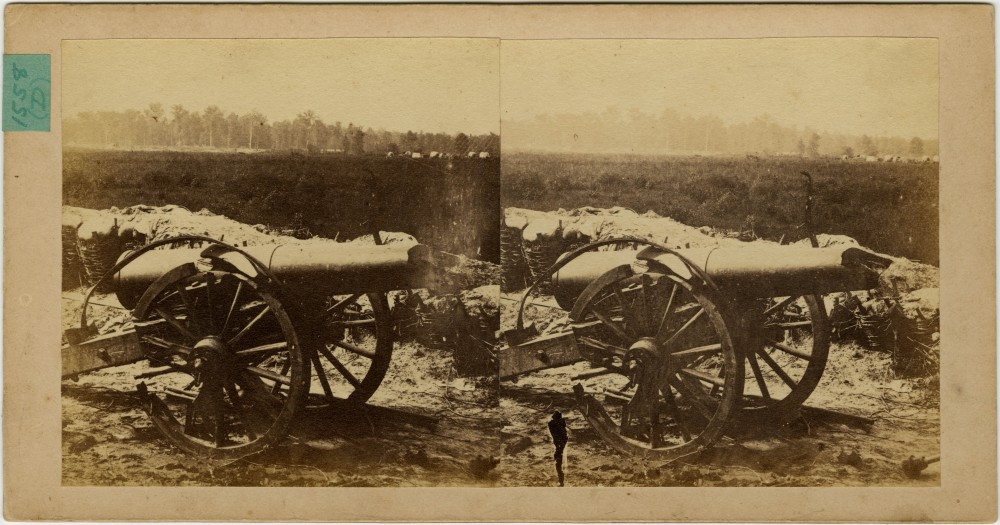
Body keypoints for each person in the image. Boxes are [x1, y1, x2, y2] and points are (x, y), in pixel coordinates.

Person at [547, 411, 568, 486]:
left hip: (559, 443)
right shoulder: (561, 422)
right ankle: (561, 479)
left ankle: (561, 481)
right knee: (558, 457)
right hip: (561, 442)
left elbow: (551, 424)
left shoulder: (552, 424)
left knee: (558, 461)